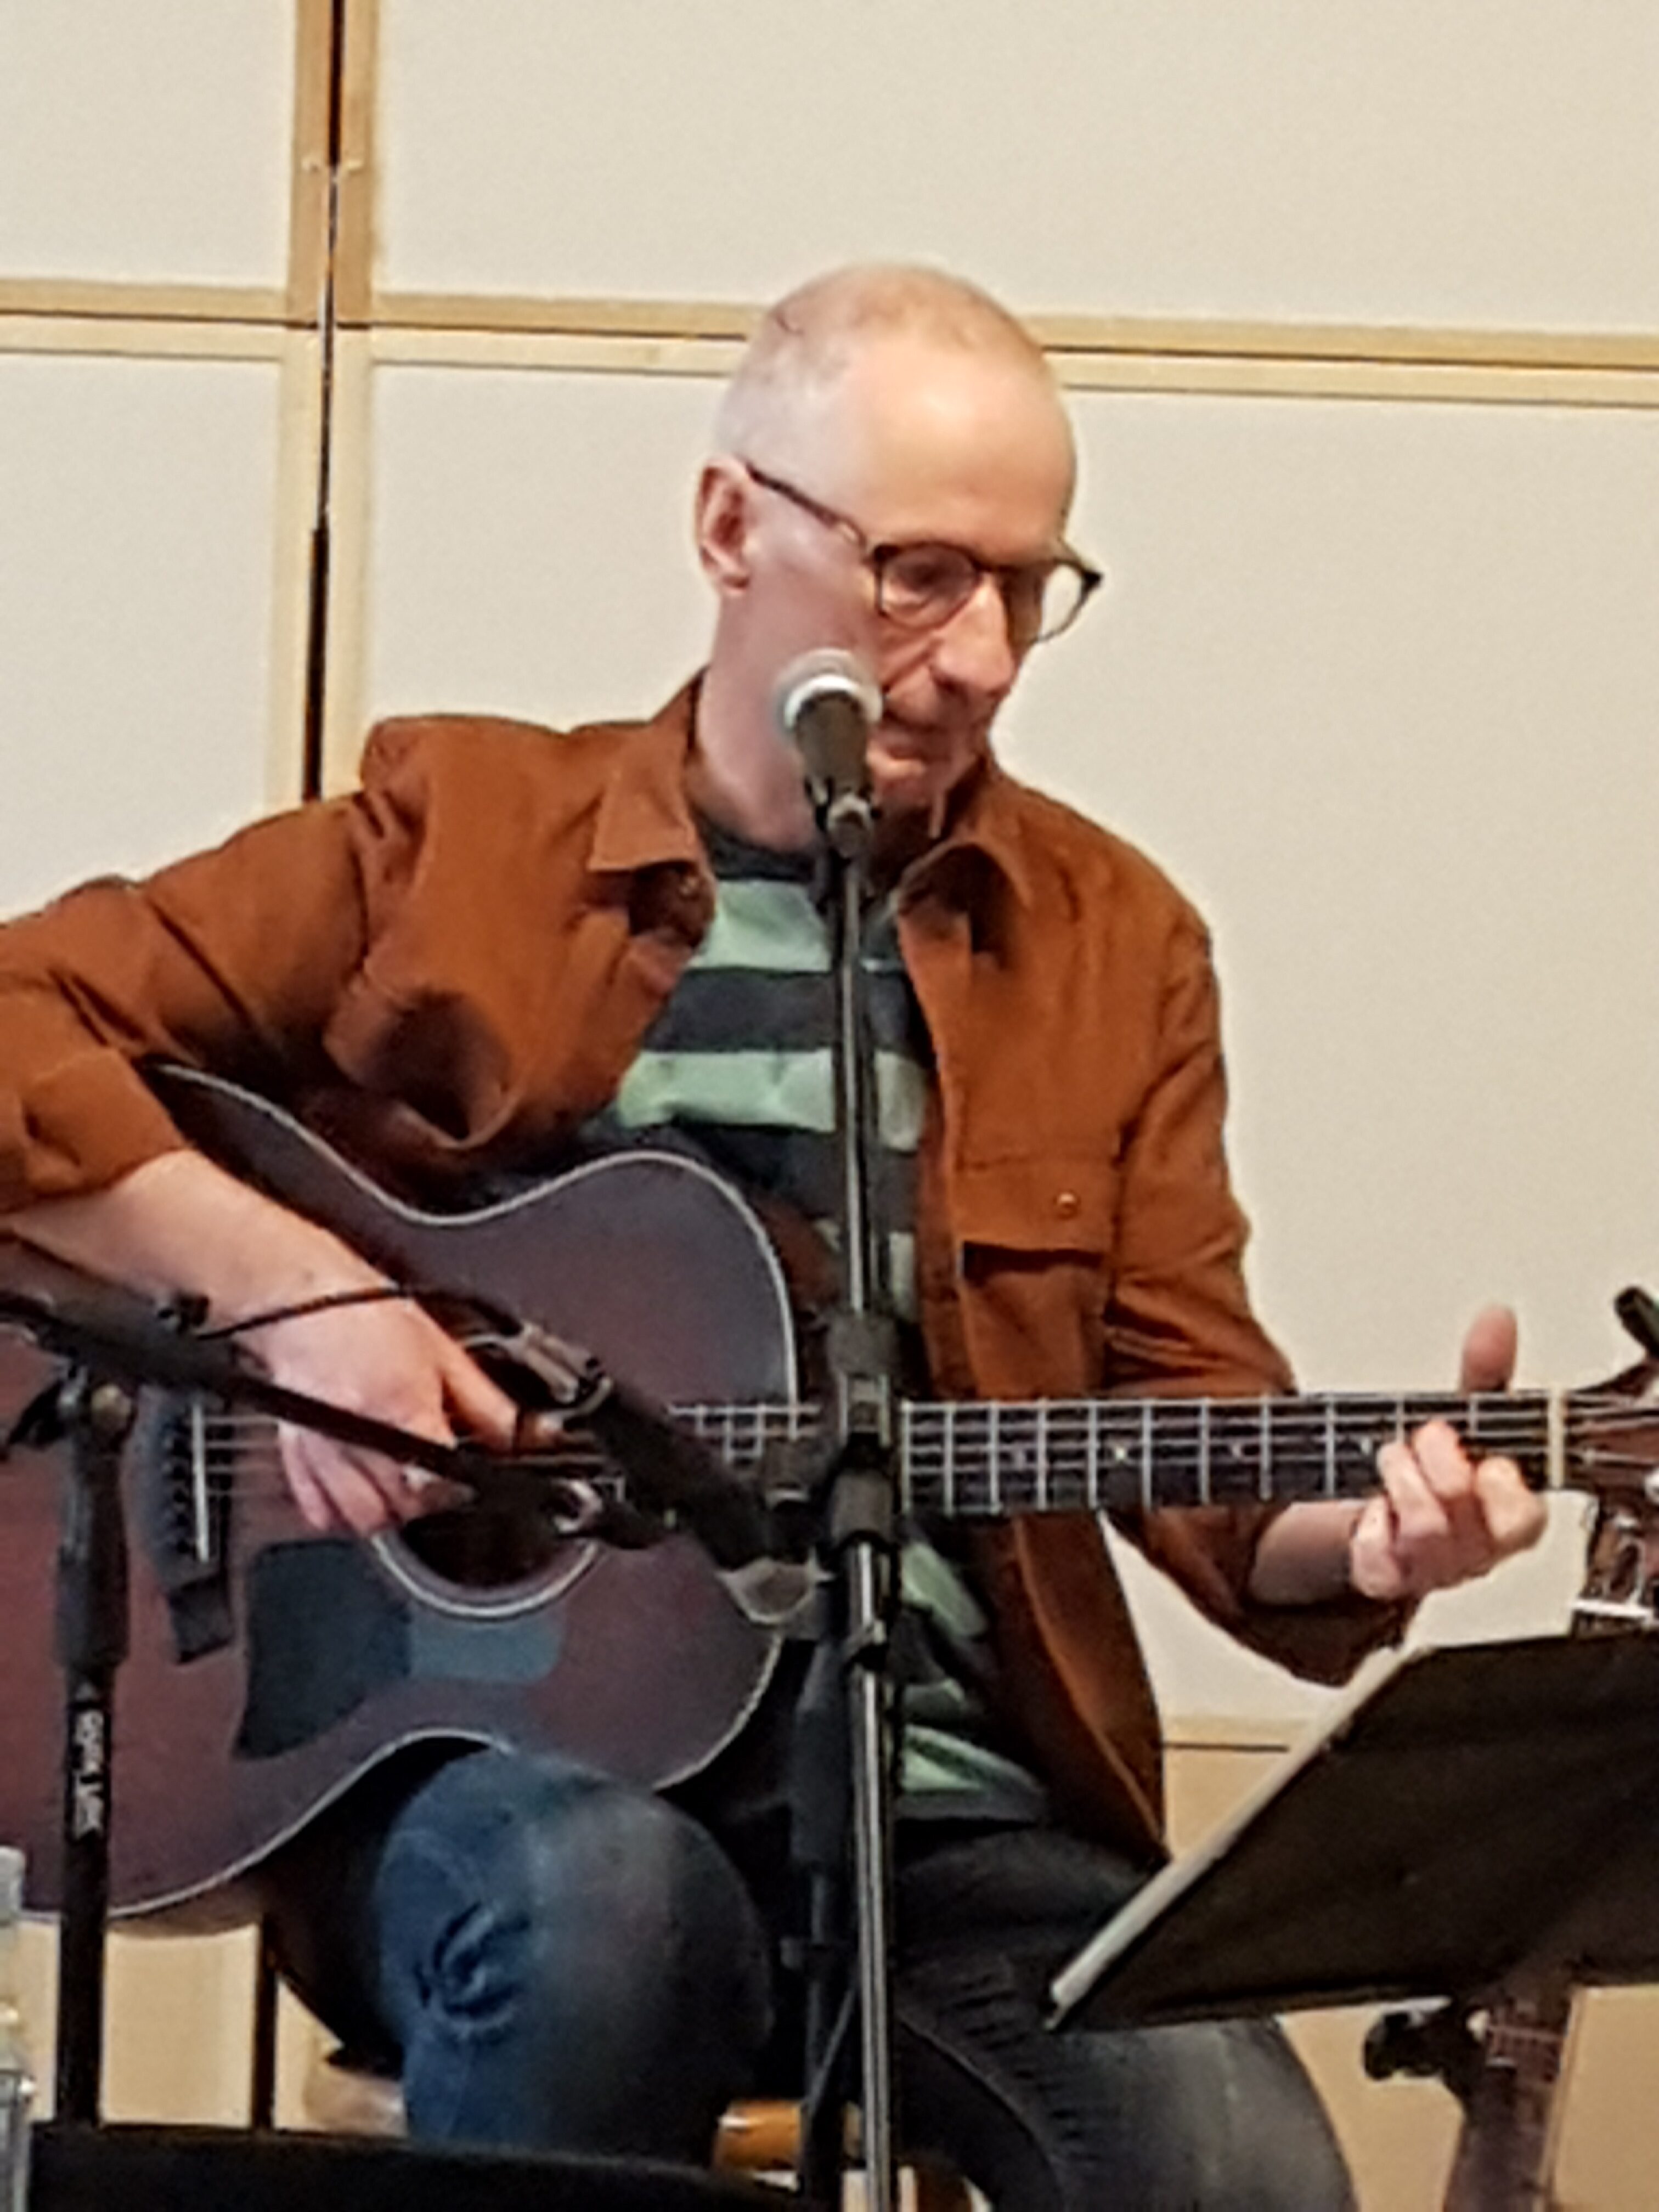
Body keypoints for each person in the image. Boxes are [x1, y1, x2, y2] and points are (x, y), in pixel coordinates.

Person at [0, 264, 1544, 2207]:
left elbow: (1195, 1427)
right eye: (920, 575)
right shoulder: (454, 838)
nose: (980, 658)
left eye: (1029, 589)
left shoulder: (1112, 943)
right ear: (733, 526)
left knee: (1238, 2169)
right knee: (610, 1919)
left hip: (940, 1810)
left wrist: (1368, 1536)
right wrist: (303, 1295)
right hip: (496, 1786)